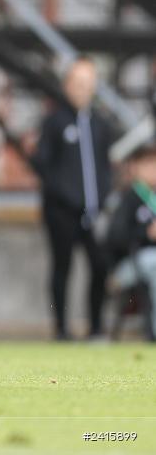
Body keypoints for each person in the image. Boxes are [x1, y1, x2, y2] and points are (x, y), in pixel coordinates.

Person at [30, 58, 114, 340]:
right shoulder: (55, 122)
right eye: (77, 83)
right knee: (62, 267)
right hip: (61, 211)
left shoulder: (101, 124)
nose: (82, 90)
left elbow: (104, 166)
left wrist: (102, 197)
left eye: (88, 84)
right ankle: (61, 328)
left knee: (100, 265)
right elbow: (41, 162)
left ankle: (97, 327)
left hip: (93, 212)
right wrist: (65, 193)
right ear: (67, 85)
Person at [104, 145, 156, 341]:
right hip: (127, 265)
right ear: (134, 168)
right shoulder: (129, 198)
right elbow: (115, 237)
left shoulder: (153, 198)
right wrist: (146, 233)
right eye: (148, 164)